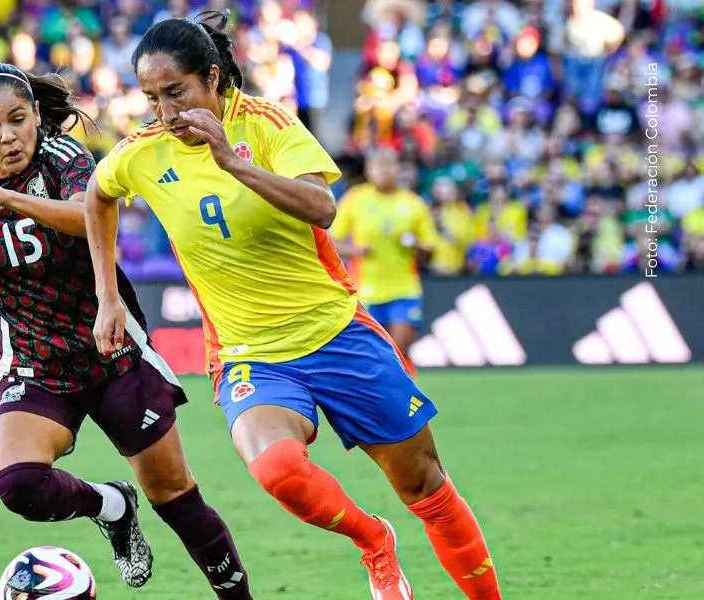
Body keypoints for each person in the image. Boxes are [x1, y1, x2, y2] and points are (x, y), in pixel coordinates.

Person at [84, 13, 501, 600]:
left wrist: (232, 161)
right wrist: (108, 298)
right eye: (153, 98)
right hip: (250, 355)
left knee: (425, 487)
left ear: (213, 79)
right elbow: (97, 198)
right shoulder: (142, 152)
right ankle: (374, 541)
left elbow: (321, 206)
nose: (167, 113)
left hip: (336, 334)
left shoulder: (269, 124)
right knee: (277, 470)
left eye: (176, 93)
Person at [0, 63, 252, 599]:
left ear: (37, 117)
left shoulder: (65, 159)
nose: (8, 136)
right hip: (36, 364)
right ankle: (110, 505)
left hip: (112, 352)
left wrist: (3, 198)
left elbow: (88, 214)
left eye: (18, 120)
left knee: (175, 497)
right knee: (19, 484)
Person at [330, 148, 439, 358]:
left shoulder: (412, 203)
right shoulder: (356, 199)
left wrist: (415, 245)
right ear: (369, 170)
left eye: (389, 165)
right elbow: (331, 240)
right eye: (378, 166)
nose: (384, 171)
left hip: (404, 289)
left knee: (398, 353)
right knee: (371, 356)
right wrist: (354, 250)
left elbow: (430, 250)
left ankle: (406, 391)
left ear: (397, 169)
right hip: (365, 289)